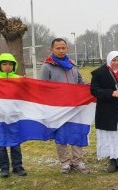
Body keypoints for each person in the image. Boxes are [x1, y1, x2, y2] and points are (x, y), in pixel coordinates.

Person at [40, 38, 89, 174]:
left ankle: (77, 160)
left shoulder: (71, 65)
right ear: (52, 49)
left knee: (76, 132)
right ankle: (65, 162)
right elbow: (43, 87)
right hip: (58, 107)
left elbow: (80, 81)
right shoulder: (47, 66)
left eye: (63, 48)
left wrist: (89, 87)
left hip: (74, 106)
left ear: (67, 49)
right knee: (60, 134)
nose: (61, 50)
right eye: (58, 48)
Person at [90, 51, 118, 173]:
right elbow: (94, 90)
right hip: (107, 110)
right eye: (114, 60)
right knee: (110, 135)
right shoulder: (99, 73)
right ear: (109, 60)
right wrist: (110, 93)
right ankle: (112, 160)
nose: (116, 63)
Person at [0, 53, 27, 178]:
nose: (7, 67)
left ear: (14, 66)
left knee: (15, 144)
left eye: (10, 64)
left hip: (14, 118)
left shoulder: (18, 79)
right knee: (1, 144)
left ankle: (18, 167)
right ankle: (4, 168)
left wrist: (26, 82)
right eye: (4, 64)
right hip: (0, 119)